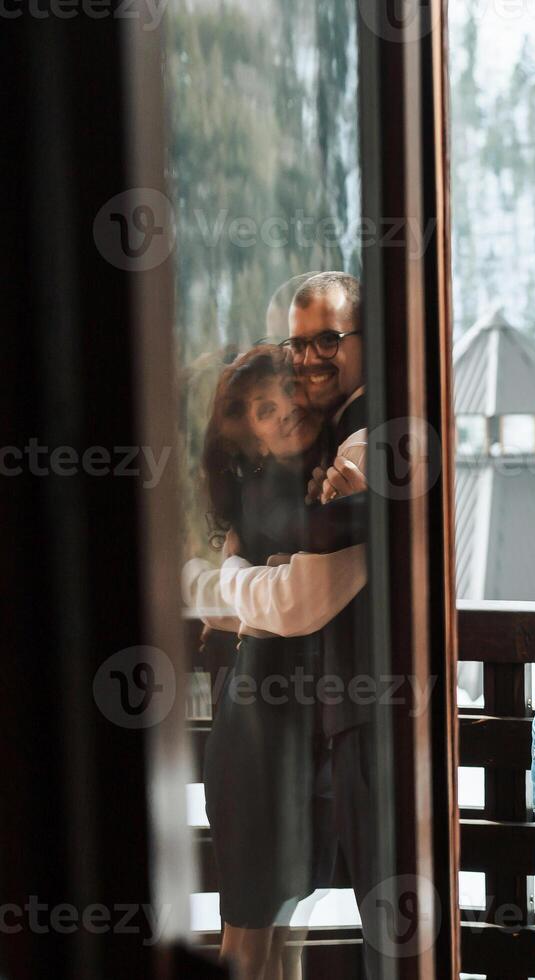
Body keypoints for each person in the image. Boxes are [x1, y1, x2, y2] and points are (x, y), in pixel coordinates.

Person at [186, 345, 364, 980]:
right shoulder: (269, 492)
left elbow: (271, 602)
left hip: (301, 726)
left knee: (284, 923)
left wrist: (239, 578)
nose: (286, 411)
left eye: (289, 393)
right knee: (250, 932)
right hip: (260, 725)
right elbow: (291, 607)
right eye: (264, 409)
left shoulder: (327, 479)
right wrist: (250, 577)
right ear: (250, 434)